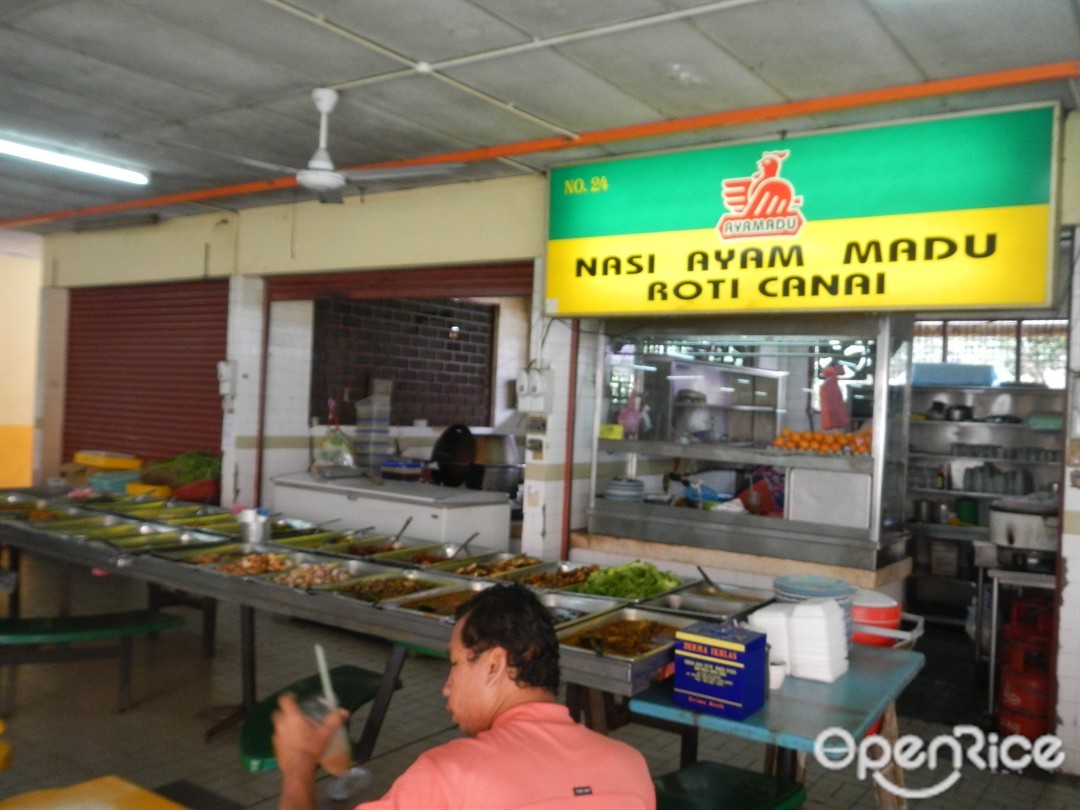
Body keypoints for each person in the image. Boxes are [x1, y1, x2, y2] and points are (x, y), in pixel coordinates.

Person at [273, 583, 656, 809]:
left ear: (493, 665)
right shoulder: (631, 768)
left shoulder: (450, 776)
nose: (446, 686)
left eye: (455, 664)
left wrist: (299, 766)